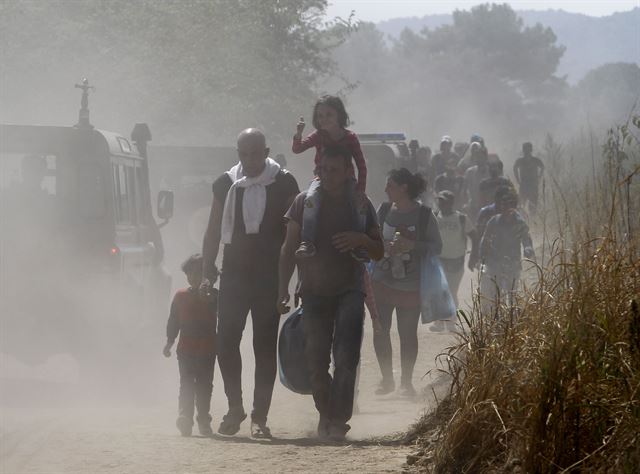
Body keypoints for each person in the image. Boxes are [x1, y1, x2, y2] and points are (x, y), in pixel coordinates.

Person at [278, 145, 383, 441]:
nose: (327, 175)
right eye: (322, 170)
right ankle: (325, 412)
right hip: (312, 291)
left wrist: (360, 237)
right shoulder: (304, 203)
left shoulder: (362, 205)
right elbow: (288, 249)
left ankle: (338, 419)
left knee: (347, 356)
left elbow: (378, 251)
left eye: (334, 170)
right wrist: (282, 289)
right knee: (316, 358)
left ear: (349, 171)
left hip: (350, 289)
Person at [200, 129, 299, 438]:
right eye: (244, 153)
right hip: (233, 274)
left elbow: (294, 234)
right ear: (238, 153)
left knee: (264, 346)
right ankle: (235, 407)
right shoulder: (226, 184)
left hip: (269, 276)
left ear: (266, 150)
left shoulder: (284, 183)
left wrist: (291, 281)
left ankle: (260, 417)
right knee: (225, 342)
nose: (250, 159)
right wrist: (207, 270)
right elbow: (213, 230)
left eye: (256, 153)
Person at [370, 168, 442, 396]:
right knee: (380, 330)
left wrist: (413, 246)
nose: (385, 190)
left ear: (404, 188)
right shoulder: (382, 211)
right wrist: (382, 246)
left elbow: (436, 247)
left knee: (407, 334)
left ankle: (406, 383)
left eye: (390, 185)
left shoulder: (424, 215)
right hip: (381, 282)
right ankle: (387, 379)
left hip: (411, 285)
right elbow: (371, 239)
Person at [291, 95, 368, 261]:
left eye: (329, 114)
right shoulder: (318, 136)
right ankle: (307, 241)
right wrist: (299, 133)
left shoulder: (350, 138)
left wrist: (360, 190)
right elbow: (297, 149)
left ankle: (359, 243)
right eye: (320, 116)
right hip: (322, 179)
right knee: (310, 199)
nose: (324, 119)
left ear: (339, 114)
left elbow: (361, 166)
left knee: (361, 206)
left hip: (347, 180)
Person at [164, 254, 217, 437]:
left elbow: (225, 320)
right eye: (191, 273)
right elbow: (173, 322)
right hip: (185, 351)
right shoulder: (180, 296)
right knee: (186, 384)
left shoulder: (215, 297)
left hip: (208, 350)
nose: (194, 277)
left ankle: (203, 419)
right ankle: (185, 417)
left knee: (204, 386)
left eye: (199, 274)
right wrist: (169, 342)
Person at [479, 189, 535, 310]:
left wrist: (528, 248)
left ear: (514, 207)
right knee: (496, 292)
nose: (506, 209)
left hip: (513, 261)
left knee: (512, 293)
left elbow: (526, 238)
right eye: (503, 205)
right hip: (495, 261)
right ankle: (497, 316)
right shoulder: (494, 221)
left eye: (509, 205)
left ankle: (512, 318)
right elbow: (485, 238)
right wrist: (483, 253)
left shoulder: (520, 223)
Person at [433, 191, 477, 331]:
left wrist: (473, 258)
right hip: (439, 260)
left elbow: (474, 237)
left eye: (444, 201)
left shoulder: (461, 218)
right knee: (439, 292)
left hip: (456, 261)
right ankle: (439, 323)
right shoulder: (434, 216)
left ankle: (451, 322)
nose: (441, 204)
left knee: (451, 291)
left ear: (451, 203)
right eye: (439, 201)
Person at [513, 142, 544, 214]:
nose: (527, 151)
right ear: (523, 150)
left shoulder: (535, 160)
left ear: (531, 150)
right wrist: (518, 179)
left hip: (532, 184)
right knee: (521, 205)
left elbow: (542, 167)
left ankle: (532, 220)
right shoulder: (520, 160)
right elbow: (515, 168)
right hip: (524, 184)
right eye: (525, 149)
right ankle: (523, 219)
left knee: (532, 205)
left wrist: (539, 177)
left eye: (528, 149)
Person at [462, 142, 490, 221]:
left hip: (488, 207)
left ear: (486, 158)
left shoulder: (491, 172)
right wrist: (465, 204)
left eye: (481, 157)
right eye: (477, 157)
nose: (479, 159)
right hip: (473, 207)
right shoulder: (469, 172)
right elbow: (464, 190)